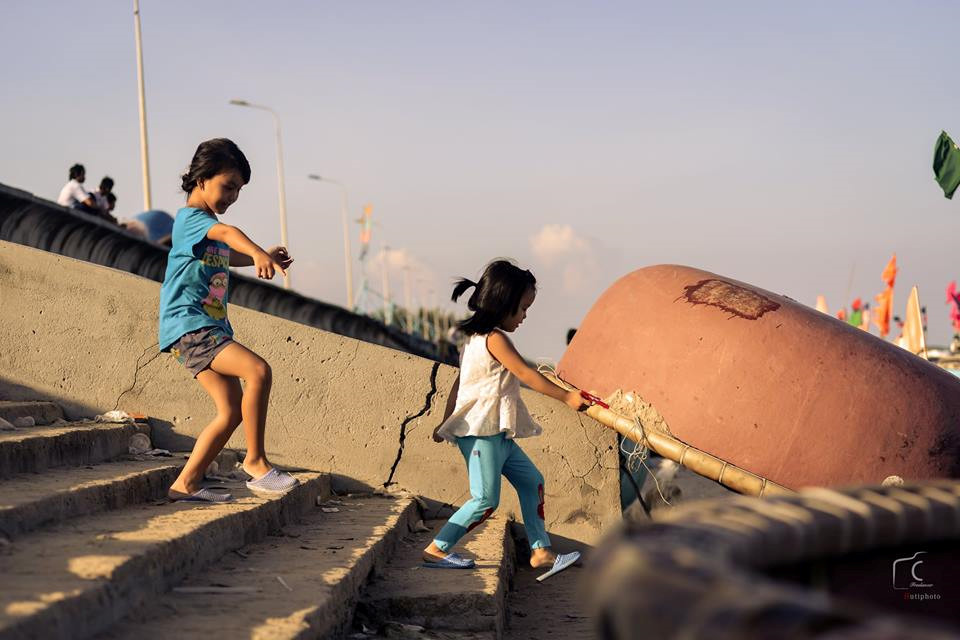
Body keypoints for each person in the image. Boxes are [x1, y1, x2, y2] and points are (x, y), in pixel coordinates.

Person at [424, 259, 588, 581]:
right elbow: (525, 373)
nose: (525, 316)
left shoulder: (473, 340)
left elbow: (461, 383)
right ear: (504, 303)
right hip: (481, 434)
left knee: (532, 481)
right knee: (485, 499)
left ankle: (541, 551)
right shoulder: (494, 339)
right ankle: (437, 548)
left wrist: (444, 421)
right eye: (523, 309)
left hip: (498, 434)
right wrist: (567, 397)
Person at [158, 138, 296, 502]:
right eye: (228, 186)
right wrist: (253, 249)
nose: (233, 196)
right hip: (191, 326)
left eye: (238, 190)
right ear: (201, 179)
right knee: (258, 371)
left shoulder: (206, 230)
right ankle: (255, 461)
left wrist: (260, 257)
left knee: (230, 411)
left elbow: (225, 254)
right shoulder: (192, 220)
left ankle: (185, 483)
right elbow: (227, 235)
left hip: (202, 329)